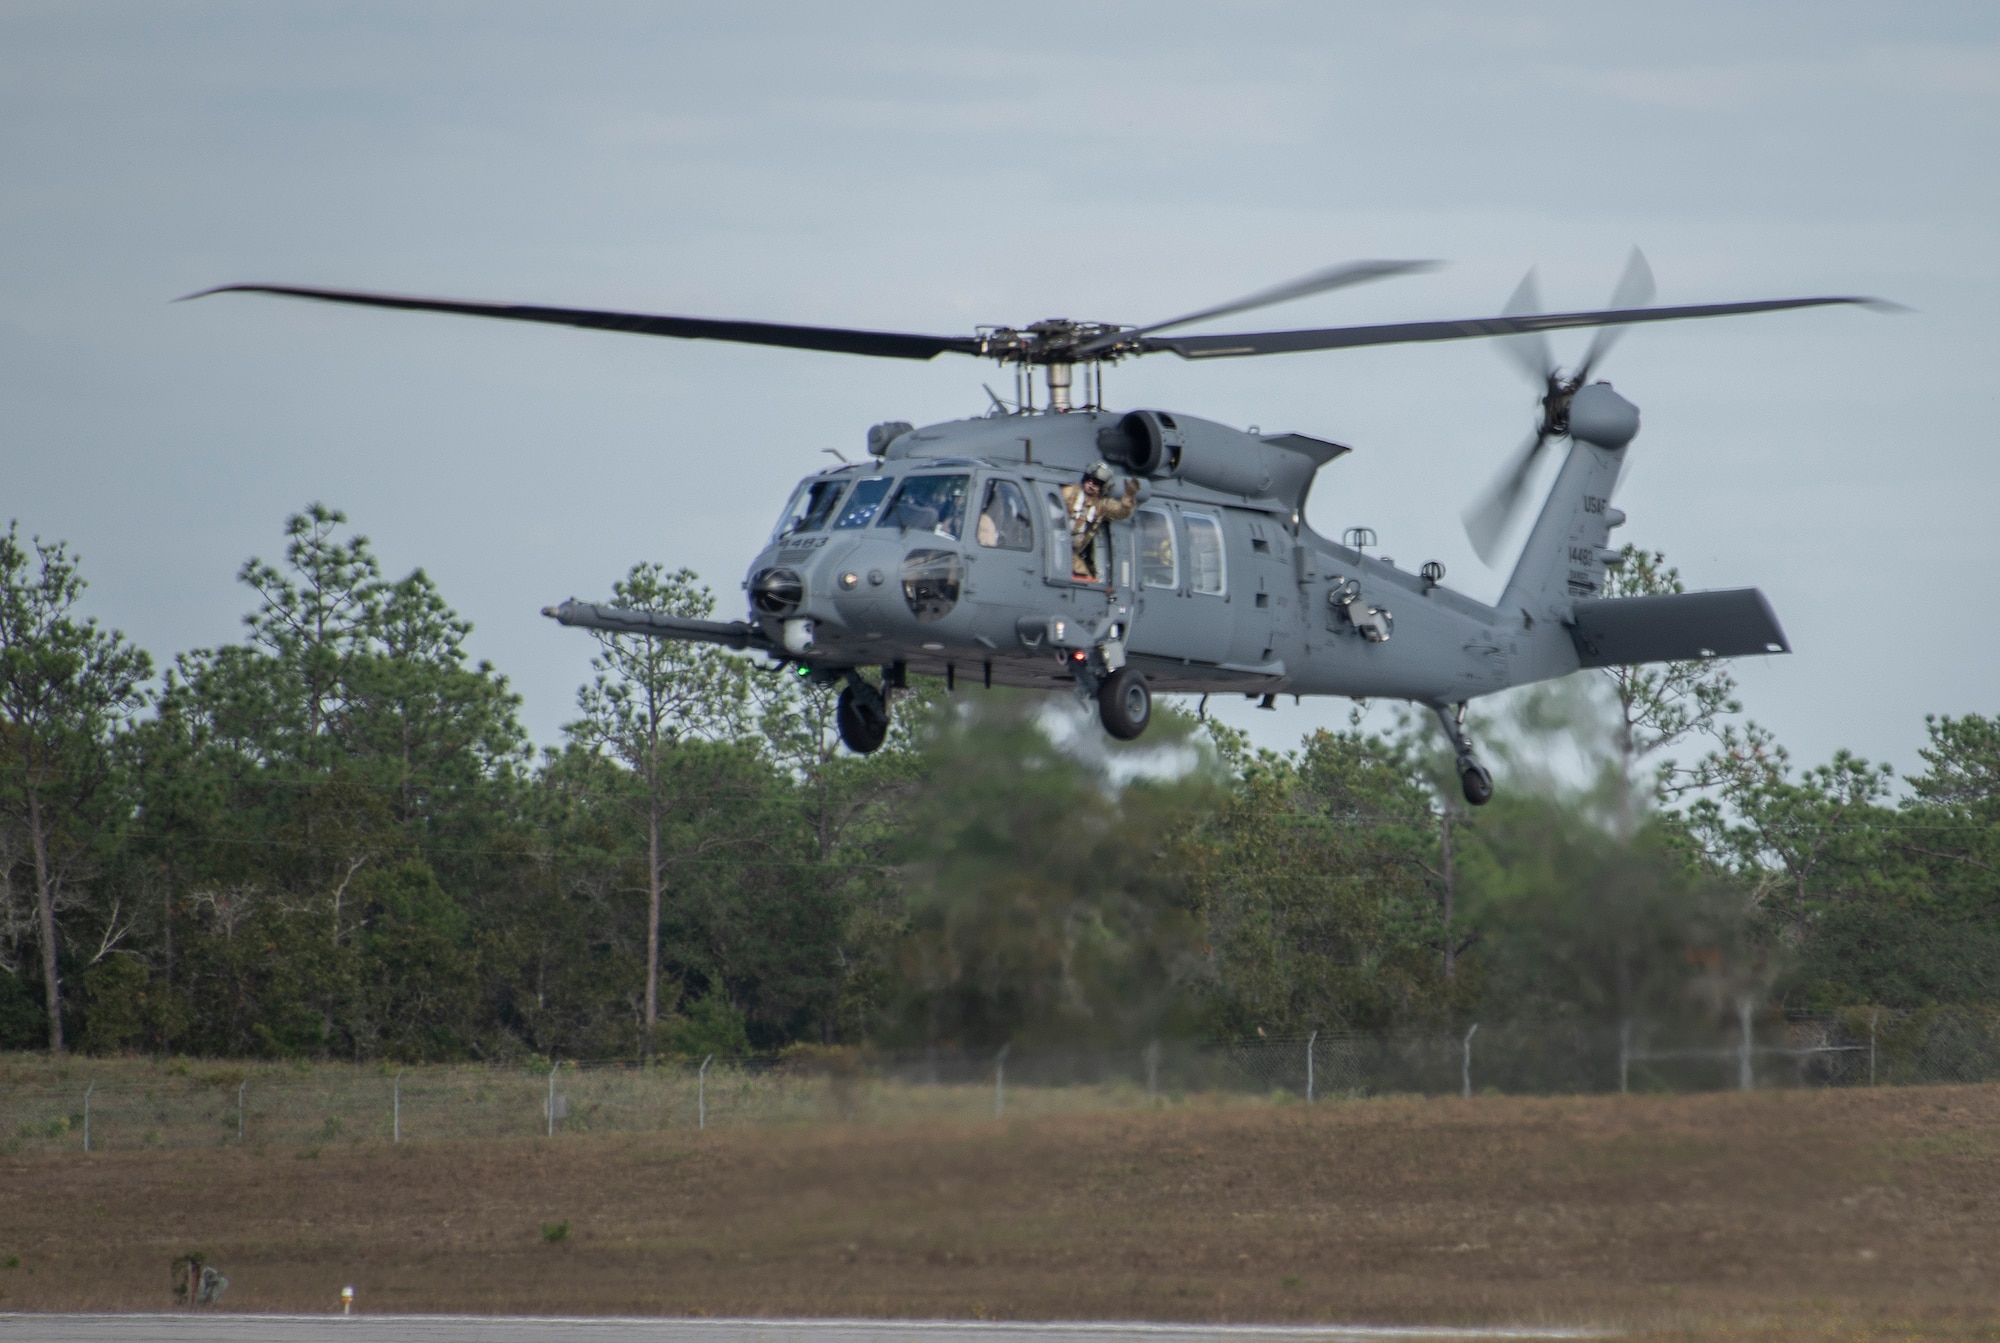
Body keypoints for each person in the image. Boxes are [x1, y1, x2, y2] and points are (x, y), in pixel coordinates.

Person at [1060, 461, 1140, 581]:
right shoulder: (1069, 492)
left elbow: (1121, 511)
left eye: (1097, 483)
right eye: (1089, 480)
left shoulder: (1101, 506)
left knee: (1085, 579)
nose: (1091, 485)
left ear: (1103, 487)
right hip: (1057, 543)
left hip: (1071, 551)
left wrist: (1129, 496)